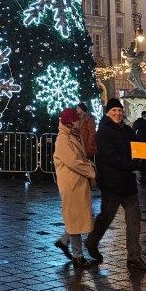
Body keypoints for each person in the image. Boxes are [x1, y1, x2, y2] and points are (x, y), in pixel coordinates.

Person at [84, 98, 146, 271]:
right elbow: (109, 157)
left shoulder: (128, 130)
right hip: (111, 182)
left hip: (127, 182)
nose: (118, 113)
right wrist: (132, 164)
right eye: (114, 110)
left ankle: (134, 258)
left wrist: (143, 160)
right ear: (107, 113)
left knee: (134, 219)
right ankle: (92, 241)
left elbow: (138, 148)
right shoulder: (104, 132)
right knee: (106, 216)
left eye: (119, 110)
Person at [52, 108, 97, 269]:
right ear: (70, 122)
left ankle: (65, 242)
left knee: (76, 217)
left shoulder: (73, 135)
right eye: (76, 118)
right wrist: (90, 170)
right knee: (75, 217)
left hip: (78, 181)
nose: (79, 120)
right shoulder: (63, 139)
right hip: (71, 183)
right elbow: (73, 161)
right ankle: (78, 256)